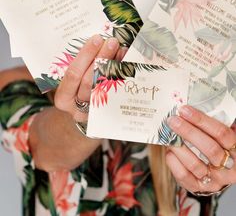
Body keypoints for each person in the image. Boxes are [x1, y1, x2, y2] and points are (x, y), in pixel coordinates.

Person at [1, 34, 236, 216]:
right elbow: (43, 148)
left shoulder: (210, 89)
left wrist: (219, 171)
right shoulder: (17, 85)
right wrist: (88, 111)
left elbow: (223, 163)